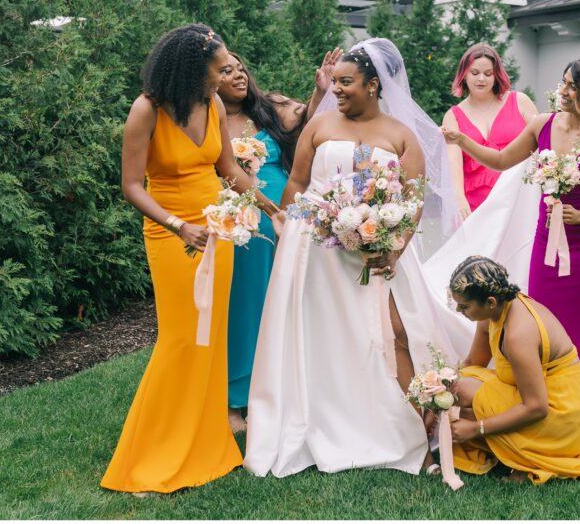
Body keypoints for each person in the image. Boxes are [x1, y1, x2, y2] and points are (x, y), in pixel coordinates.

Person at [244, 38, 474, 479]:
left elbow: (412, 201)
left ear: (373, 85)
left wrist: (393, 246)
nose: (338, 89)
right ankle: (326, 417)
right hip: (315, 251)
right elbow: (296, 183)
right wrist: (287, 227)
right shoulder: (319, 124)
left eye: (347, 82)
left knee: (393, 333)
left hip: (378, 253)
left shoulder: (401, 135)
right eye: (336, 82)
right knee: (322, 335)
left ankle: (406, 428)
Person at [101, 24, 284, 494]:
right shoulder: (147, 110)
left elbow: (227, 168)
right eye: (220, 69)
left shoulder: (214, 104)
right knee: (180, 339)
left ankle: (205, 446)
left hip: (218, 230)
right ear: (191, 68)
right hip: (172, 234)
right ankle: (147, 458)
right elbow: (131, 186)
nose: (228, 76)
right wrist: (177, 225)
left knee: (210, 339)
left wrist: (271, 210)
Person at [441, 56, 580, 436]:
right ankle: (541, 409)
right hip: (547, 240)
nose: (562, 92)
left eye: (572, 88)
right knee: (541, 324)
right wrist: (462, 141)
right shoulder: (542, 124)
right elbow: (500, 161)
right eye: (562, 83)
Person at [446, 256, 580, 484]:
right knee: (460, 387)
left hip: (562, 416)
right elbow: (471, 365)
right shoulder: (494, 313)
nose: (459, 310)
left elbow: (537, 408)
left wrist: (476, 428)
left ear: (489, 301)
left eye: (464, 306)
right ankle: (508, 448)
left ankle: (535, 457)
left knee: (466, 400)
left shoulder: (518, 335)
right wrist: (438, 389)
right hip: (541, 401)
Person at [219, 48, 342, 433]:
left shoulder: (267, 108)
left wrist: (320, 91)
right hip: (243, 222)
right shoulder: (209, 117)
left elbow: (306, 123)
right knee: (246, 305)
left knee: (288, 301)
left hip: (285, 217)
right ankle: (235, 399)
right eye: (227, 71)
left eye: (241, 68)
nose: (239, 75)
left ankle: (281, 389)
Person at [442, 43, 537, 219]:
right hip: (475, 205)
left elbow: (543, 146)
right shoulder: (453, 116)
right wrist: (459, 199)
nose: (481, 79)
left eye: (488, 74)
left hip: (521, 198)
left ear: (496, 76)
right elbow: (453, 162)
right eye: (475, 73)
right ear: (464, 74)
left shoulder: (520, 101)